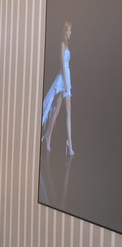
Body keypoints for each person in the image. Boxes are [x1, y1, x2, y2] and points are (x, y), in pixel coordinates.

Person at [42, 21, 75, 156]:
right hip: (63, 79)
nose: (71, 32)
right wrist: (65, 83)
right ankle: (48, 136)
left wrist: (68, 83)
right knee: (56, 111)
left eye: (71, 30)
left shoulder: (67, 44)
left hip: (67, 78)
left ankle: (69, 144)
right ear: (65, 31)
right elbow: (62, 64)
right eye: (69, 30)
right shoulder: (62, 44)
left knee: (68, 112)